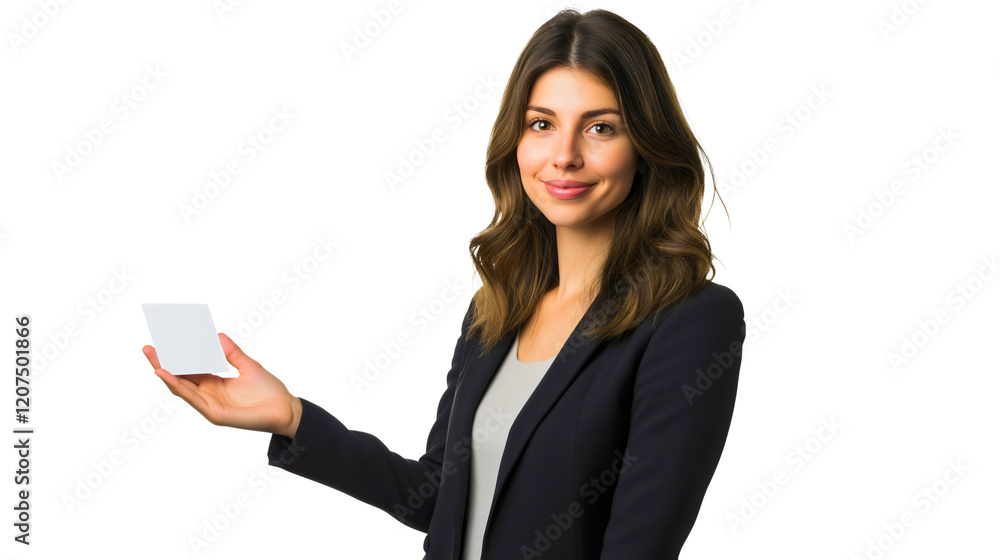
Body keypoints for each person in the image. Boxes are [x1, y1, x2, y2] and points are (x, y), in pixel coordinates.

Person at [143, 8, 745, 559]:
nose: (563, 155)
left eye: (600, 128)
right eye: (541, 123)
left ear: (646, 145)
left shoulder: (692, 321)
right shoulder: (496, 311)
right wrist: (293, 418)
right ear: (516, 141)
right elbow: (435, 498)